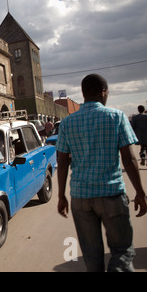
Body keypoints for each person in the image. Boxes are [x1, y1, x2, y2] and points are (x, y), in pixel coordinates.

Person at [56, 73, 147, 272]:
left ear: (83, 93)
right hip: (111, 196)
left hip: (81, 198)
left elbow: (62, 162)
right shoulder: (116, 116)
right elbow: (129, 159)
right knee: (122, 253)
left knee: (91, 255)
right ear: (103, 93)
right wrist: (140, 192)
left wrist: (61, 195)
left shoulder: (67, 123)